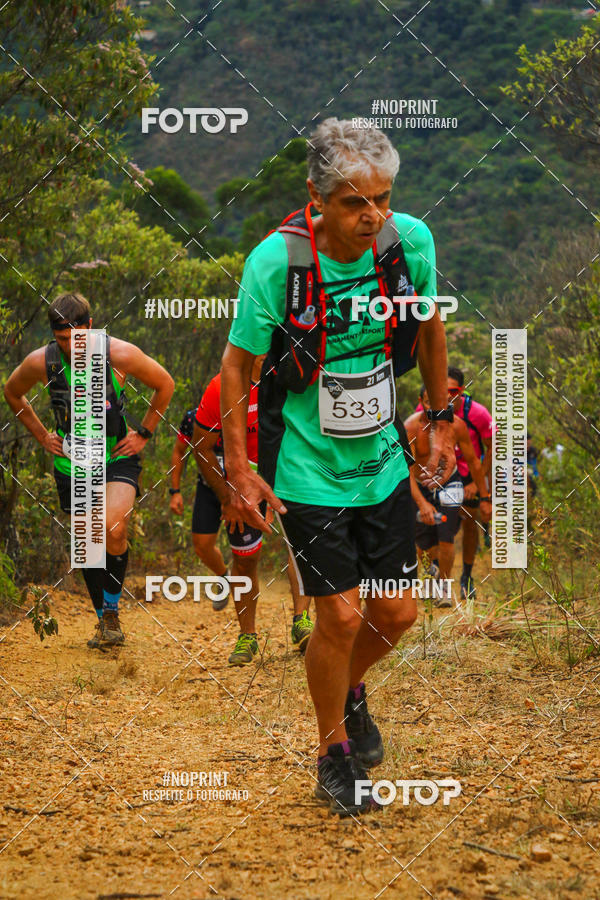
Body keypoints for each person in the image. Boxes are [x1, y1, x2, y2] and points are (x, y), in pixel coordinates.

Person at [219, 118, 455, 815]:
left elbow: (431, 325)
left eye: (382, 197)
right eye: (355, 202)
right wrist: (238, 466)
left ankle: (349, 690)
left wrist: (439, 421)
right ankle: (333, 754)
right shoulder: (277, 263)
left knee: (398, 612)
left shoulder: (408, 243)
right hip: (305, 469)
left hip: (381, 463)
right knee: (342, 618)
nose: (372, 215)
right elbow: (238, 365)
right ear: (316, 196)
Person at [3, 292, 174, 647]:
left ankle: (110, 612)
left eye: (76, 337)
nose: (70, 346)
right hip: (72, 462)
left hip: (116, 457)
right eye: (62, 339)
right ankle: (106, 619)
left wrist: (143, 433)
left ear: (90, 327)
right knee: (88, 544)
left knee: (113, 526)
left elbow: (165, 384)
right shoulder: (44, 361)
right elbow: (12, 392)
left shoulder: (119, 355)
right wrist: (41, 436)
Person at [187, 357, 314, 664]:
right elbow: (200, 447)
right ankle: (247, 636)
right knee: (246, 560)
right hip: (239, 480)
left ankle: (302, 621)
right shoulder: (222, 387)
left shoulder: (295, 378)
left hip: (287, 472)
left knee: (300, 546)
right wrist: (228, 497)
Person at [405, 387, 492, 607]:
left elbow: (473, 461)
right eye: (426, 402)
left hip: (449, 483)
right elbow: (405, 471)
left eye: (436, 403)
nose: (431, 408)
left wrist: (484, 497)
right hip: (420, 484)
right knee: (423, 542)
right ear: (420, 401)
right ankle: (430, 575)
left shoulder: (456, 425)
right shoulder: (411, 427)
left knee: (446, 537)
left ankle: (443, 585)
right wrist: (422, 503)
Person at [447, 366, 493, 600]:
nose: (446, 395)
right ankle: (437, 578)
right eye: (441, 389)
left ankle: (466, 577)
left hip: (469, 474)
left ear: (461, 390)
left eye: (452, 390)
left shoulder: (478, 414)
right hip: (442, 475)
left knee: (468, 522)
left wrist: (478, 483)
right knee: (438, 525)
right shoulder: (425, 409)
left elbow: (492, 447)